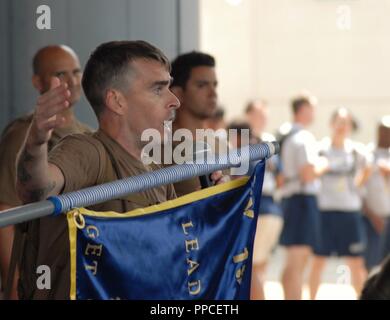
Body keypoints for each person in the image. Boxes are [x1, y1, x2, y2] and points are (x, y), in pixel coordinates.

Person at [15, 41, 225, 300]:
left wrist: (212, 208)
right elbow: (36, 189)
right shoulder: (88, 151)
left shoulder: (158, 171)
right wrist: (36, 141)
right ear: (117, 101)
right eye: (158, 89)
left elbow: (177, 261)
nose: (174, 101)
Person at [0, 45, 90, 299]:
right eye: (61, 74)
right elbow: (5, 213)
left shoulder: (86, 133)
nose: (72, 82)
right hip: (39, 277)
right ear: (37, 82)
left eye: (76, 71)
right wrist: (13, 287)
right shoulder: (24, 135)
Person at [308, 108, 369, 299]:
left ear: (350, 126)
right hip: (325, 212)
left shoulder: (356, 151)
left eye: (346, 123)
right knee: (318, 261)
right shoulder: (320, 148)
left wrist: (357, 185)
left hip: (349, 213)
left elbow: (368, 169)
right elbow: (311, 173)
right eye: (339, 122)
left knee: (356, 263)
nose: (342, 126)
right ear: (332, 124)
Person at [279, 94, 322, 300]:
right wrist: (326, 165)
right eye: (312, 108)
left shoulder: (286, 135)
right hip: (302, 201)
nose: (314, 113)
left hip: (292, 201)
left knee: (294, 262)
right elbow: (308, 173)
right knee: (298, 261)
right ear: (303, 109)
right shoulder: (303, 137)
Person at [169, 51, 229, 196]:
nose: (213, 93)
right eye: (202, 85)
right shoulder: (157, 147)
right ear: (178, 93)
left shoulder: (220, 145)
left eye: (214, 85)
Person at [244, 101, 284, 300]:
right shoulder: (241, 138)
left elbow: (280, 175)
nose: (263, 118)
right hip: (249, 203)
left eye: (264, 114)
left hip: (269, 204)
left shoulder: (269, 141)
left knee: (261, 263)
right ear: (248, 114)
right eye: (258, 114)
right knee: (249, 263)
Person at [363, 115, 390, 270]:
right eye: (383, 130)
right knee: (372, 264)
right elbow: (360, 188)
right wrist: (372, 215)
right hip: (372, 218)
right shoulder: (368, 155)